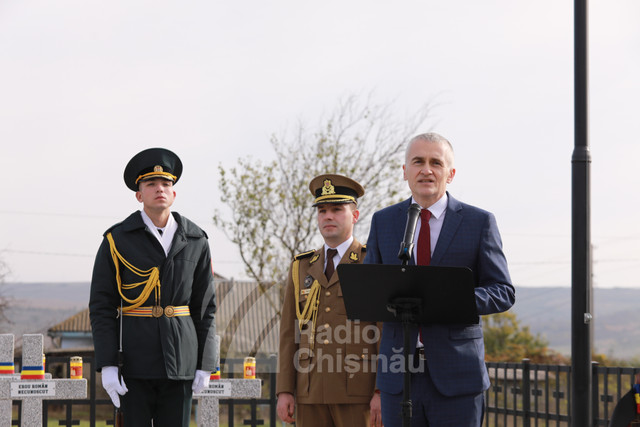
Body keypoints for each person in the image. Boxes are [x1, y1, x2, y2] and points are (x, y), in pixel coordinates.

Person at [364, 133, 515, 427]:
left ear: (451, 173)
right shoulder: (383, 221)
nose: (427, 169)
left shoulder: (479, 222)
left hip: (457, 378)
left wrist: (451, 299)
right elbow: (371, 290)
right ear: (405, 171)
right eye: (418, 161)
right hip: (398, 376)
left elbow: (503, 292)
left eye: (436, 162)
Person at [89, 148, 217, 427]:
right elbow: (102, 306)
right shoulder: (117, 240)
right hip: (134, 362)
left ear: (174, 193)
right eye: (151, 184)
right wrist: (108, 364)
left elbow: (205, 308)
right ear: (139, 195)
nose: (160, 189)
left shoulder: (196, 239)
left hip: (181, 361)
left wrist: (206, 363)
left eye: (166, 184)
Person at [276, 174, 382, 427]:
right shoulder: (301, 266)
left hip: (358, 392)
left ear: (354, 216)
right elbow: (289, 332)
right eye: (322, 210)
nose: (328, 216)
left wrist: (381, 391)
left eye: (337, 209)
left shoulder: (371, 262)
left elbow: (384, 329)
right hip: (308, 390)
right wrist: (284, 390)